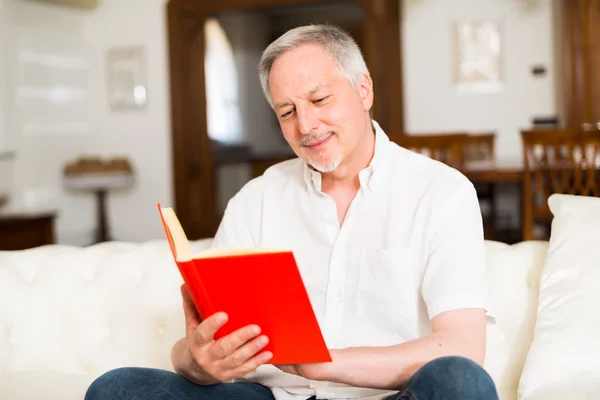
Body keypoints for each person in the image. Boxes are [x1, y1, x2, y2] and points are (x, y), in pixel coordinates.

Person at [86, 24, 498, 400]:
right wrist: (196, 361)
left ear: (364, 90)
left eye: (319, 99)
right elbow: (200, 350)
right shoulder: (256, 198)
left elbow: (462, 347)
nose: (305, 125)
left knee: (460, 383)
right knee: (116, 389)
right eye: (287, 112)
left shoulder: (441, 192)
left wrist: (322, 363)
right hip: (272, 397)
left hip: (389, 396)